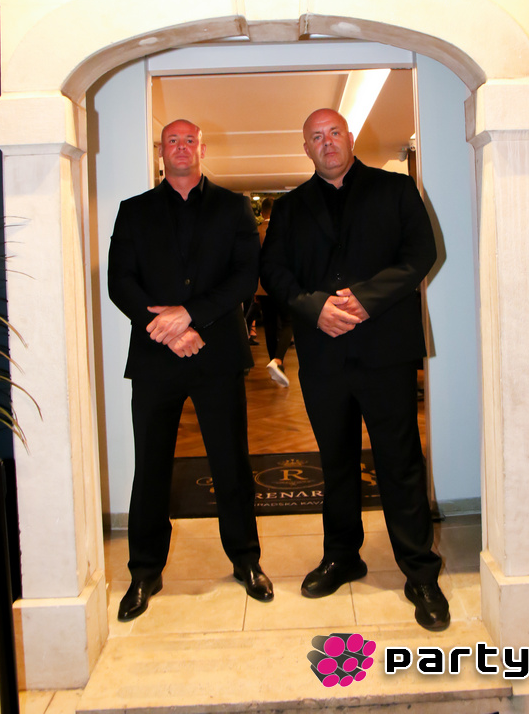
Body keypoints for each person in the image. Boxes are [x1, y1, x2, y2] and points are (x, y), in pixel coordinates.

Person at [260, 108, 449, 631]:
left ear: (349, 136)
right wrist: (313, 307)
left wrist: (366, 299)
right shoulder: (290, 207)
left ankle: (420, 572)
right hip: (323, 353)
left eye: (334, 133)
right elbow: (273, 271)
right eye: (316, 137)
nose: (327, 143)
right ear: (306, 148)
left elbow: (420, 254)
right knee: (336, 461)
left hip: (386, 349)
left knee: (400, 461)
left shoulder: (395, 189)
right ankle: (343, 556)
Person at [108, 119, 273, 621]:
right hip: (155, 355)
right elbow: (120, 282)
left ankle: (245, 560)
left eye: (189, 141)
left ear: (202, 148)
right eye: (171, 141)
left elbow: (245, 275)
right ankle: (144, 571)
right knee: (151, 465)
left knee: (230, 462)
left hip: (217, 353)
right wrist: (168, 329)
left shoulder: (232, 206)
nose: (180, 148)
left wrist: (190, 316)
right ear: (161, 152)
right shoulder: (133, 210)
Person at [256, 197, 293, 388]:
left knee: (270, 325)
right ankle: (278, 360)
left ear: (262, 212)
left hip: (262, 287)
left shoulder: (256, 231)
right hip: (281, 285)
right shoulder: (284, 229)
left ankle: (275, 363)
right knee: (289, 321)